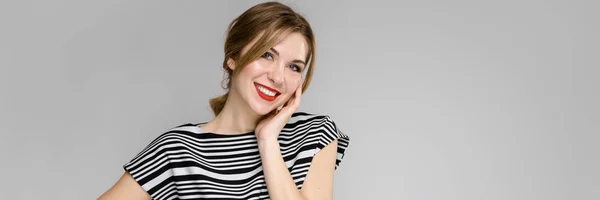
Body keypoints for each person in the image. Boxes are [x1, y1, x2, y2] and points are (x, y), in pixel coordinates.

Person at [99, 2, 350, 199]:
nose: (277, 77)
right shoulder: (177, 149)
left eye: (294, 67)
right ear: (233, 57)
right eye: (266, 55)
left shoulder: (314, 134)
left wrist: (267, 140)